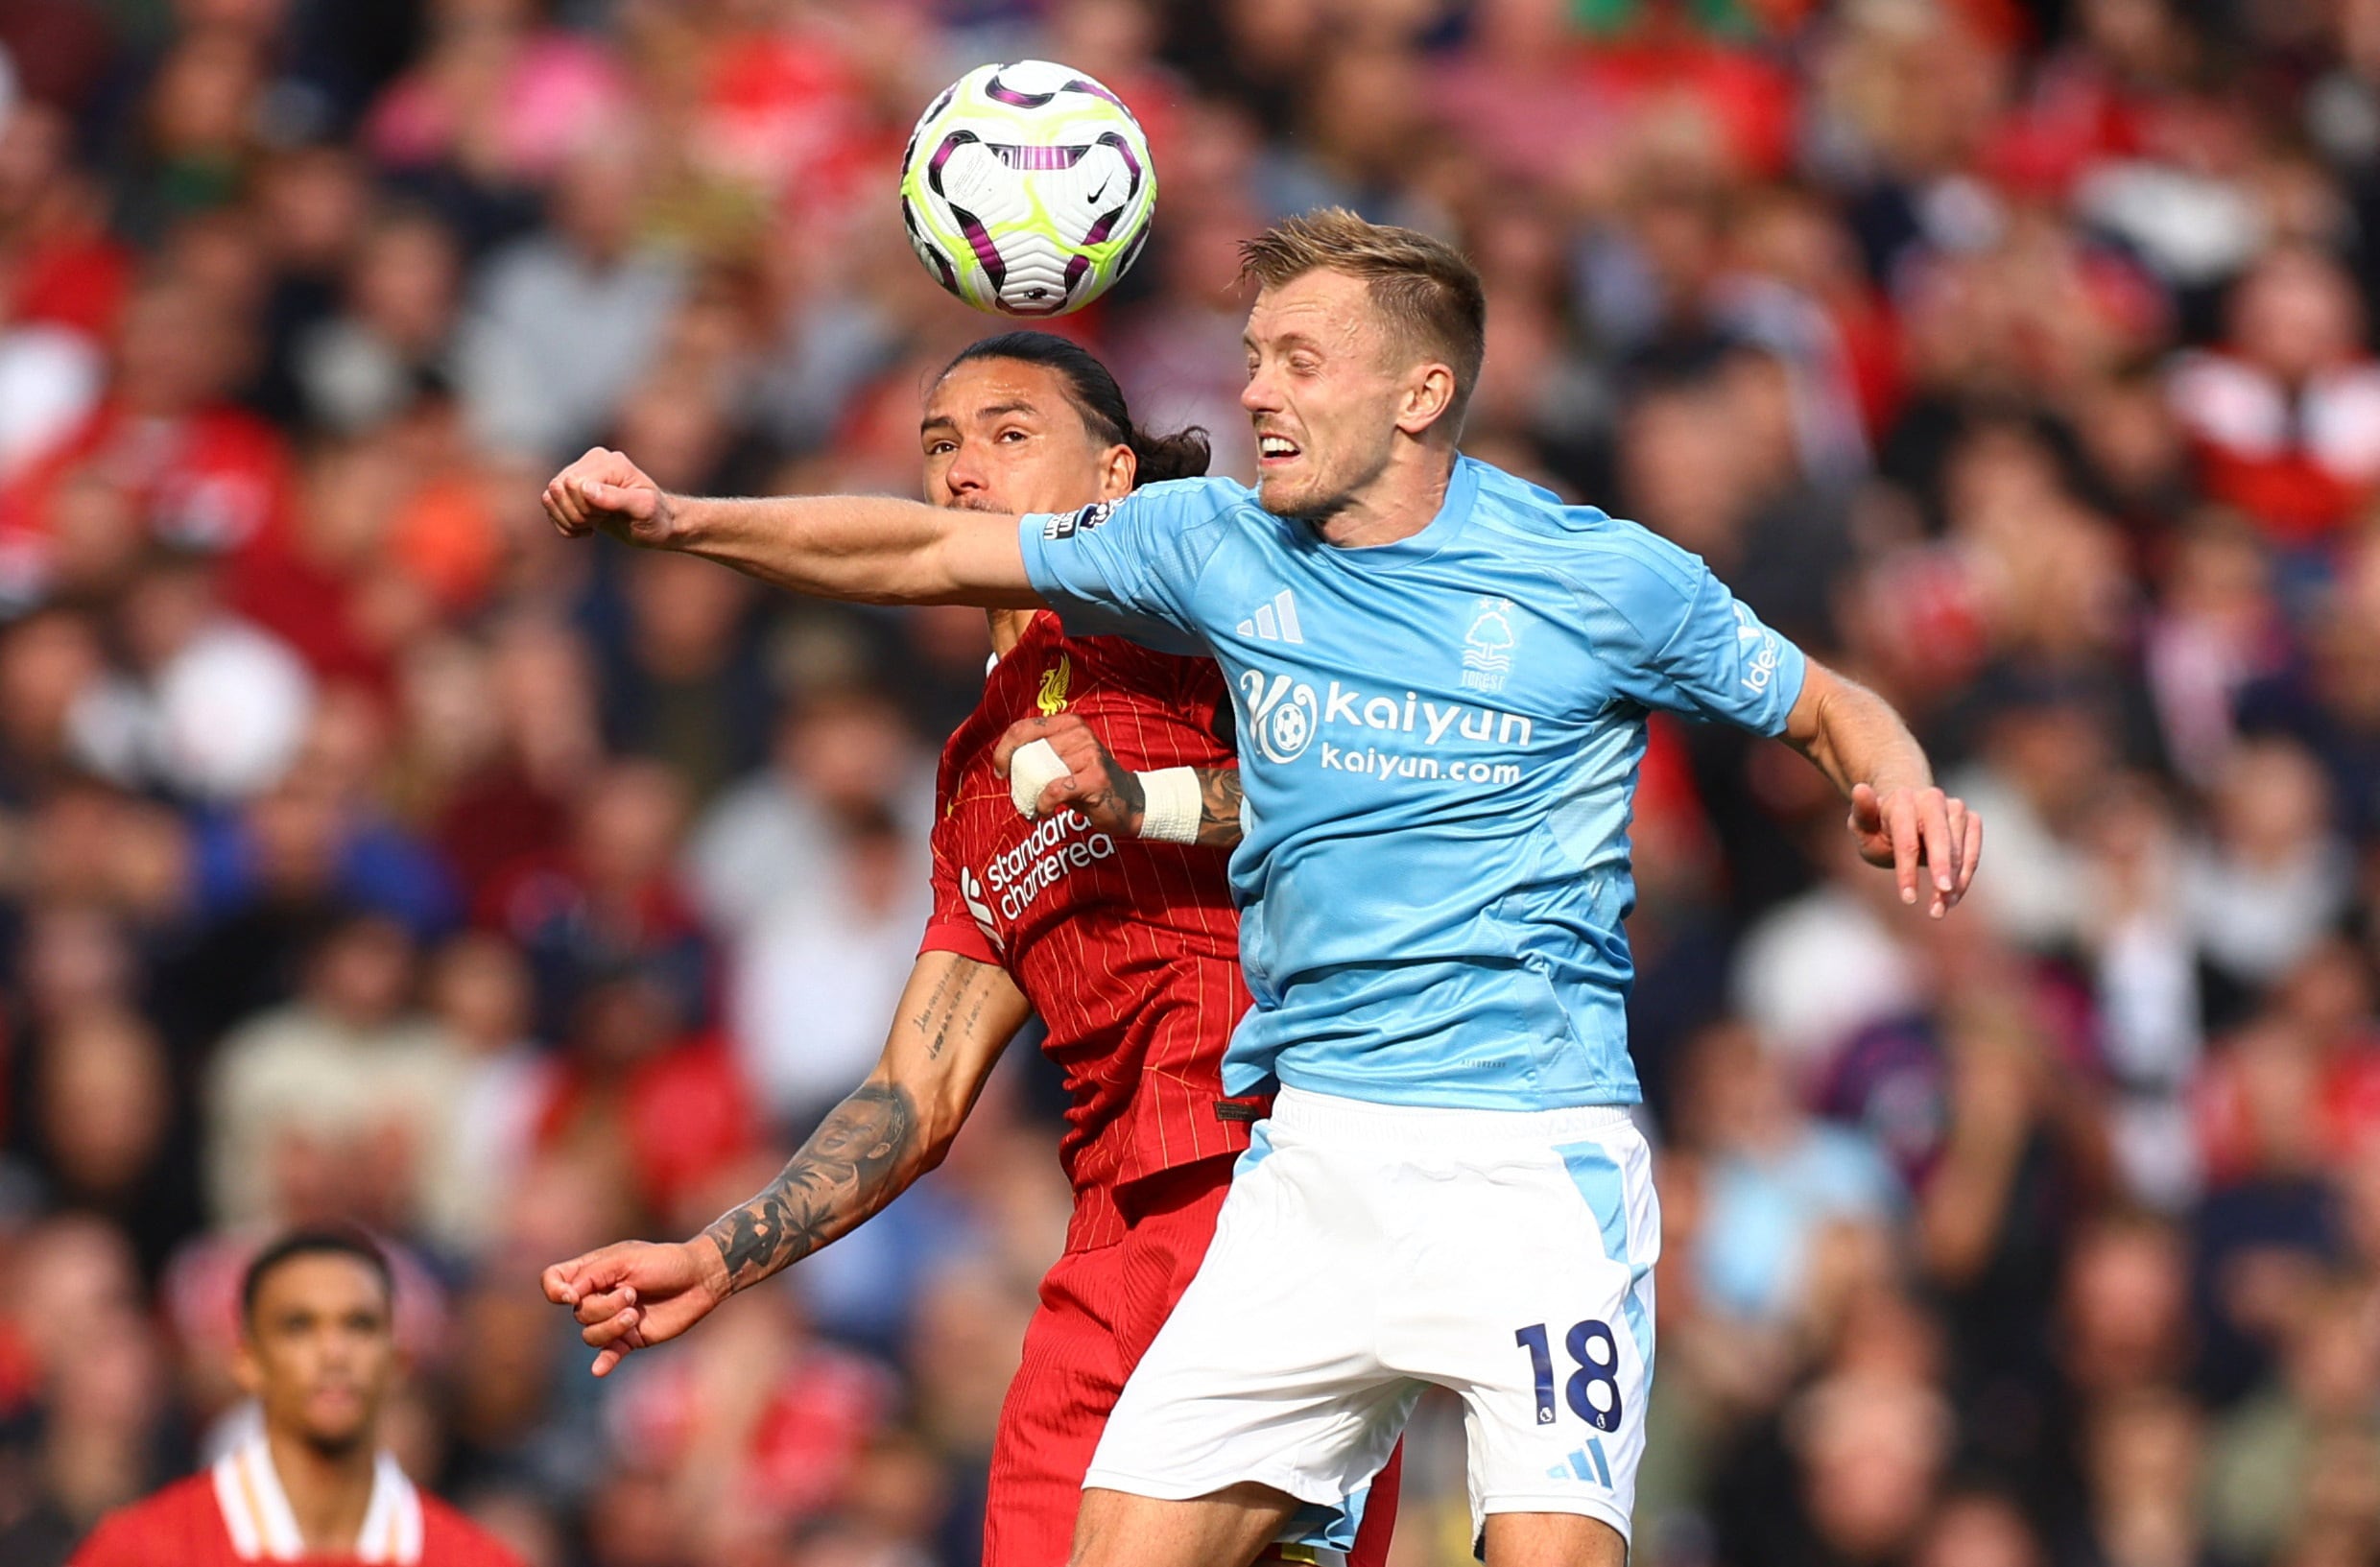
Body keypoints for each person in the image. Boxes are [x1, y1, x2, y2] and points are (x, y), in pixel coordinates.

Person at [540, 209, 1984, 1567]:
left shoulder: (1567, 580)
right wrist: (676, 520)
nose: (1256, 393)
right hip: (1286, 1186)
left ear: (1418, 393)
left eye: (1297, 358)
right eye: (1250, 358)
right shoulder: (1193, 584)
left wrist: (1900, 775)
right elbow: (915, 1075)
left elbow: (1822, 700)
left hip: (1516, 1157)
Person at [539, 331, 1399, 1566]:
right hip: (1110, 1244)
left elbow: (1351, 790)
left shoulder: (1193, 608)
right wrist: (719, 1255)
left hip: (1271, 1194)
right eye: (938, 442)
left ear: (1112, 480)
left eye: (1008, 434)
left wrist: (679, 519)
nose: (961, 467)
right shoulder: (972, 779)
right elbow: (915, 1089)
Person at [70, 1229, 519, 1566]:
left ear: (397, 1362)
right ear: (247, 1361)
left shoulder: (476, 1558)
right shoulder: (139, 1552)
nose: (333, 1353)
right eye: (299, 1326)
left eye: (359, 1325)